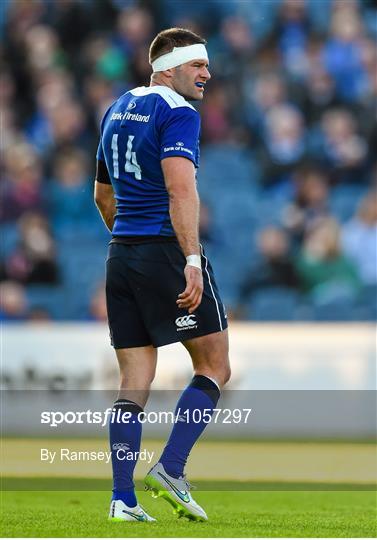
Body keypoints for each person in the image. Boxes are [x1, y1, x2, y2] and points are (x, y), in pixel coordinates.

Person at [94, 28, 230, 523]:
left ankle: (121, 500)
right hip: (165, 252)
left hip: (121, 254)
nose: (207, 75)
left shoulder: (116, 109)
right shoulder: (179, 112)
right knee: (215, 365)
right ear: (169, 68)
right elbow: (180, 189)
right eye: (198, 66)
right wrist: (189, 260)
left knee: (134, 380)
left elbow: (102, 197)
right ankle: (171, 469)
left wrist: (129, 243)